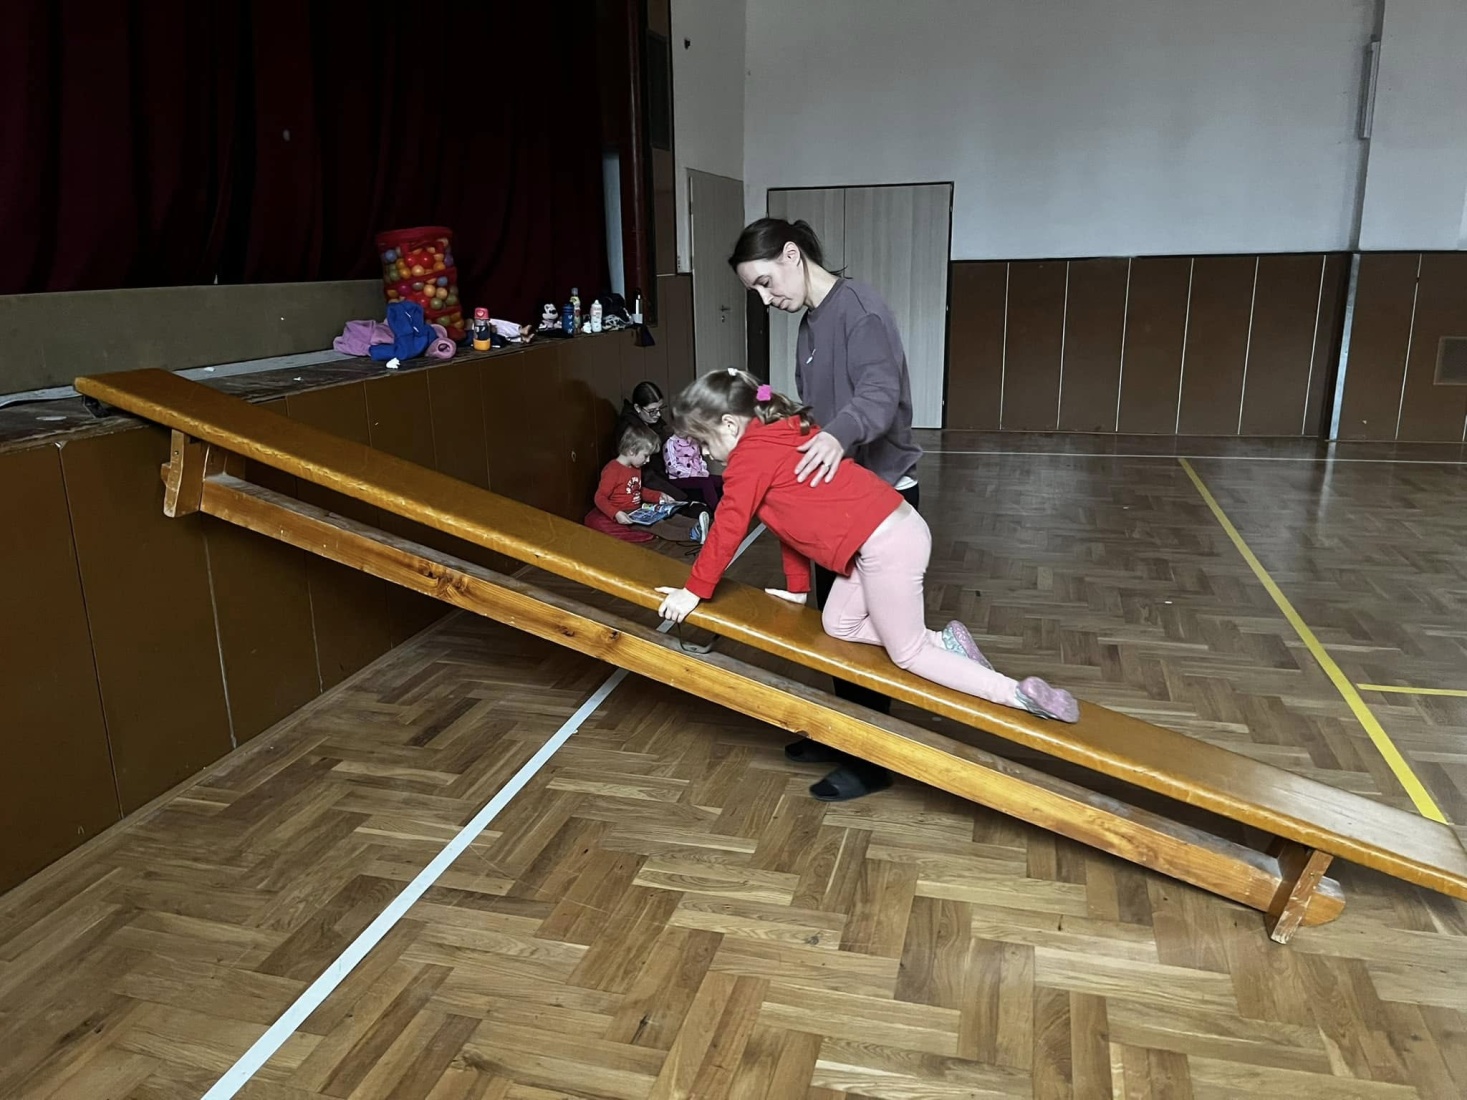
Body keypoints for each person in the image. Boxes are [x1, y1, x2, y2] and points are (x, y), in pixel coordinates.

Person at [655, 370, 1078, 802]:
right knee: (838, 624)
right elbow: (785, 519)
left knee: (908, 653)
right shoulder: (780, 430)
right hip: (878, 540)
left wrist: (693, 591)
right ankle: (945, 642)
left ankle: (1017, 694)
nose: (704, 453)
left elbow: (728, 526)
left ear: (730, 424)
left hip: (890, 544)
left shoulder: (750, 457)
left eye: (703, 441)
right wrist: (798, 588)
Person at [728, 216, 937, 799]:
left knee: (862, 633)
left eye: (766, 282)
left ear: (792, 255)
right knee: (834, 627)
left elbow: (879, 395)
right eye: (755, 291)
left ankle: (871, 761)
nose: (766, 299)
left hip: (881, 501)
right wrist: (766, 402)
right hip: (840, 497)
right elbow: (815, 407)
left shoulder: (860, 311)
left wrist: (836, 436)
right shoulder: (811, 321)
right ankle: (842, 731)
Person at [585, 423, 710, 545]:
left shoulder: (635, 468)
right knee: (659, 525)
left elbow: (637, 490)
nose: (648, 460)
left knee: (669, 517)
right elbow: (599, 497)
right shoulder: (612, 470)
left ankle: (701, 525)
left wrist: (658, 496)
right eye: (646, 456)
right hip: (626, 514)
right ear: (631, 451)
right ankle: (692, 534)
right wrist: (616, 513)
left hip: (639, 510)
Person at [614, 380, 724, 511]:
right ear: (638, 408)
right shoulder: (629, 429)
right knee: (695, 500)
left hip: (671, 472)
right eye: (652, 411)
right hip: (656, 478)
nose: (658, 414)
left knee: (717, 485)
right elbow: (645, 475)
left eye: (660, 409)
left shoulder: (654, 421)